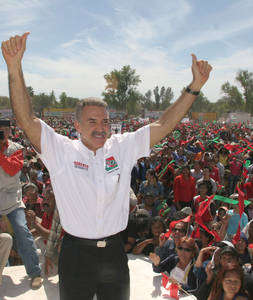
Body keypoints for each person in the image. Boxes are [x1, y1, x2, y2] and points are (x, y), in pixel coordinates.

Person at [1, 32, 212, 300]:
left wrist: (194, 86)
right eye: (92, 121)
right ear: (76, 126)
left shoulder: (122, 147)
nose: (101, 128)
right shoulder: (61, 151)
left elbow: (162, 125)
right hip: (76, 254)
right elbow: (26, 119)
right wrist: (14, 66)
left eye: (105, 121)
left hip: (114, 252)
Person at [0, 119, 42, 288]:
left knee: (22, 231)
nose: (2, 133)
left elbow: (12, 170)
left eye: (4, 130)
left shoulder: (16, 149)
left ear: (10, 131)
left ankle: (34, 272)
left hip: (12, 199)